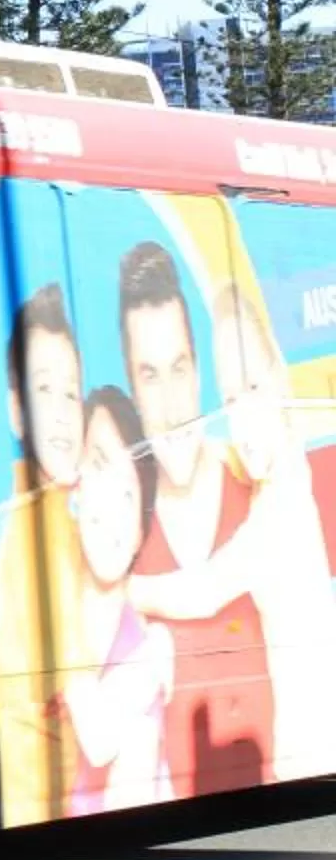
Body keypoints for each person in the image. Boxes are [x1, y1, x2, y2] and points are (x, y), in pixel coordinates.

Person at [134, 284, 336, 781]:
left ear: (280, 383)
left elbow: (202, 591)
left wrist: (131, 591)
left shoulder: (280, 506)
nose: (239, 414)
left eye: (252, 389)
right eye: (227, 397)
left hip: (308, 737)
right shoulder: (281, 480)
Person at [117, 241, 273, 797]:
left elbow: (206, 592)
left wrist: (125, 593)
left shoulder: (256, 486)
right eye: (150, 377)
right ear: (133, 390)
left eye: (180, 368)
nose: (174, 403)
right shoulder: (121, 531)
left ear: (200, 369)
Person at [0, 284, 91, 823]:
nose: (59, 415)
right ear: (15, 410)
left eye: (71, 394)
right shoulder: (32, 529)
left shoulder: (65, 512)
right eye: (43, 390)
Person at [58, 387, 175, 814]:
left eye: (130, 494)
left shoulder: (146, 641)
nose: (112, 504)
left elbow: (102, 740)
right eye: (100, 465)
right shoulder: (49, 612)